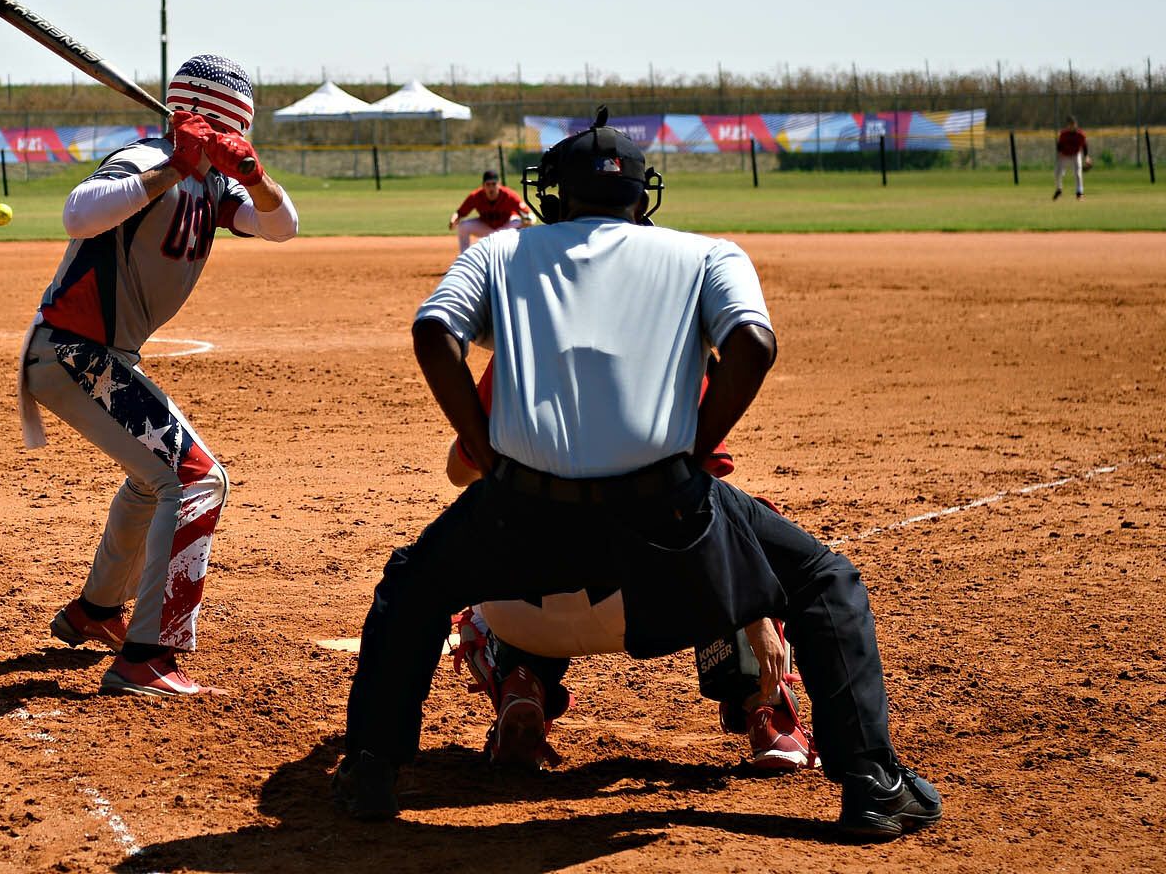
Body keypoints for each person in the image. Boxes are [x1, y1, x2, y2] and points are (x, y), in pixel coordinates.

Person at [333, 109, 941, 841]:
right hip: (667, 517)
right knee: (822, 580)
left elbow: (435, 332)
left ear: (552, 195)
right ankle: (870, 783)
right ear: (641, 197)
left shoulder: (500, 253)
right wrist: (696, 448)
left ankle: (371, 770)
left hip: (525, 509)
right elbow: (753, 342)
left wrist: (481, 443)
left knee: (412, 586)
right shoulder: (708, 254)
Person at [20, 55, 298, 697]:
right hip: (74, 350)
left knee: (154, 481)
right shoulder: (148, 160)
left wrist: (254, 176)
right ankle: (149, 654)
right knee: (199, 480)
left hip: (98, 356)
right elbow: (77, 213)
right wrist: (172, 165)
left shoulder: (217, 187)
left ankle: (96, 610)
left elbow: (283, 225)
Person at [442, 364, 817, 775]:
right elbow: (707, 504)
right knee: (738, 515)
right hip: (647, 609)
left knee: (505, 519)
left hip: (525, 618)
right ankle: (763, 706)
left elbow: (459, 472)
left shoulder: (522, 346)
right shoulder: (668, 343)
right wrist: (754, 610)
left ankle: (521, 680)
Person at [449, 169, 532, 253]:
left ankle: (520, 253)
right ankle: (465, 258)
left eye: (494, 184)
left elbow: (528, 214)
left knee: (523, 221)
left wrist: (527, 221)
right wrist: (454, 219)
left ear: (499, 184)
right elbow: (459, 213)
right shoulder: (476, 196)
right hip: (486, 227)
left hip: (505, 228)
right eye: (488, 184)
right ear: (483, 185)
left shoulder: (509, 195)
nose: (491, 188)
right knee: (462, 226)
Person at [1055, 116, 1090, 201]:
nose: (1071, 126)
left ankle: (1079, 193)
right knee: (1057, 173)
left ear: (1076, 124)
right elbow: (1059, 146)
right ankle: (1059, 189)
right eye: (1070, 124)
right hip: (1065, 155)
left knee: (1078, 173)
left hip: (1075, 155)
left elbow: (1084, 146)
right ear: (1067, 125)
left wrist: (1086, 157)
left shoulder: (1080, 134)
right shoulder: (1064, 134)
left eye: (1073, 124)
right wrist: (1059, 154)